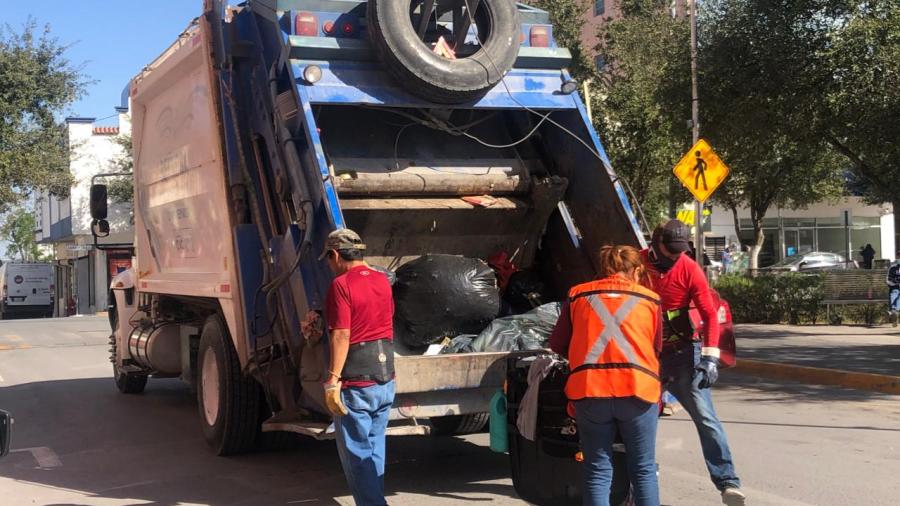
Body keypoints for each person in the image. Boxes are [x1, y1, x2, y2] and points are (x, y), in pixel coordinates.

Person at [642, 220, 746, 506]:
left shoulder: (689, 268)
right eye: (670, 250)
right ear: (656, 243)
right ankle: (635, 483)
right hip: (646, 356)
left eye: (680, 251)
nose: (675, 256)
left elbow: (710, 315)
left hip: (684, 354)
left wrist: (710, 357)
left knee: (706, 418)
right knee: (638, 421)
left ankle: (728, 483)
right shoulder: (638, 265)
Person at [549, 245, 662, 506]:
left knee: (598, 469)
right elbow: (656, 347)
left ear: (604, 269)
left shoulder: (577, 295)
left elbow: (557, 343)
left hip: (589, 391)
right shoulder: (650, 299)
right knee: (643, 469)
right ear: (636, 270)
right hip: (638, 390)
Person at [320, 229, 395, 506]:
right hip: (385, 379)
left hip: (356, 383)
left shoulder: (341, 284)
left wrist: (332, 379)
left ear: (336, 254)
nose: (329, 266)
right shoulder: (383, 280)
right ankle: (374, 498)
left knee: (356, 454)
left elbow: (342, 334)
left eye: (329, 259)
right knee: (375, 448)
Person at [887, 253, 900, 327]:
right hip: (895, 287)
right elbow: (888, 280)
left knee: (897, 294)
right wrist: (896, 283)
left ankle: (893, 311)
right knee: (895, 292)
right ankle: (895, 311)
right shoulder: (893, 267)